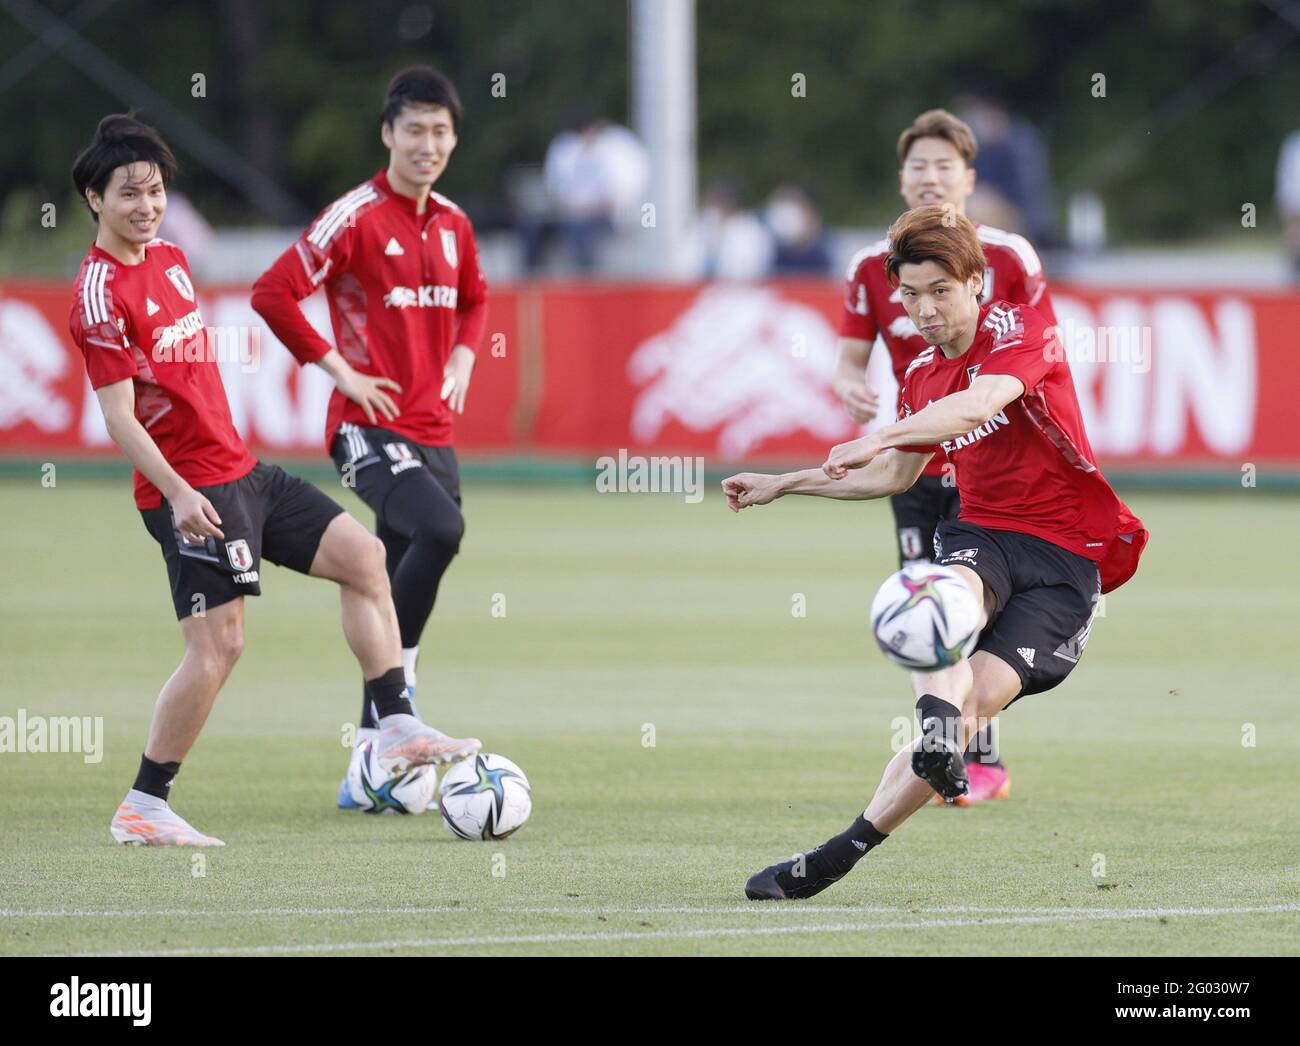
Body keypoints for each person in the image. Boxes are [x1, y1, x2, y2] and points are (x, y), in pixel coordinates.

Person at [68, 114, 479, 846]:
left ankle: (393, 726)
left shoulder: (166, 257)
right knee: (219, 648)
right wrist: (177, 491)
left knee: (366, 558)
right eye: (127, 193)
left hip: (243, 471)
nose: (146, 205)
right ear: (94, 200)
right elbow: (119, 419)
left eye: (156, 190)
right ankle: (143, 803)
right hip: (188, 488)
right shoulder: (98, 295)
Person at [722, 205, 1147, 900]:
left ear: (976, 282)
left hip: (1069, 561)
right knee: (932, 602)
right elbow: (893, 477)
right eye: (911, 295)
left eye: (939, 291)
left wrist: (878, 435)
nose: (924, 310)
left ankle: (867, 823)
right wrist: (786, 483)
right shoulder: (919, 375)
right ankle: (872, 812)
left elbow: (978, 406)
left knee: (976, 703)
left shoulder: (1022, 327)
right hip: (984, 536)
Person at [251, 67, 486, 809]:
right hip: (367, 429)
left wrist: (463, 355)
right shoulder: (354, 216)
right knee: (441, 531)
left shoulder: (453, 222)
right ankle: (400, 714)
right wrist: (337, 371)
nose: (427, 144)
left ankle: (367, 765)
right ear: (388, 134)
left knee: (385, 576)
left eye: (440, 131)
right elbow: (272, 291)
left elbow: (477, 299)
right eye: (413, 130)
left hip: (433, 432)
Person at [835, 109, 1057, 804]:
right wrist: (850, 388)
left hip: (993, 460)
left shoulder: (1011, 256)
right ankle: (945, 746)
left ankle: (969, 749)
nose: (930, 178)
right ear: (902, 180)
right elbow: (850, 358)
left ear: (968, 178)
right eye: (917, 167)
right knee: (920, 604)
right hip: (916, 458)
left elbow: (1037, 353)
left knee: (982, 609)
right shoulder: (872, 265)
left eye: (943, 166)